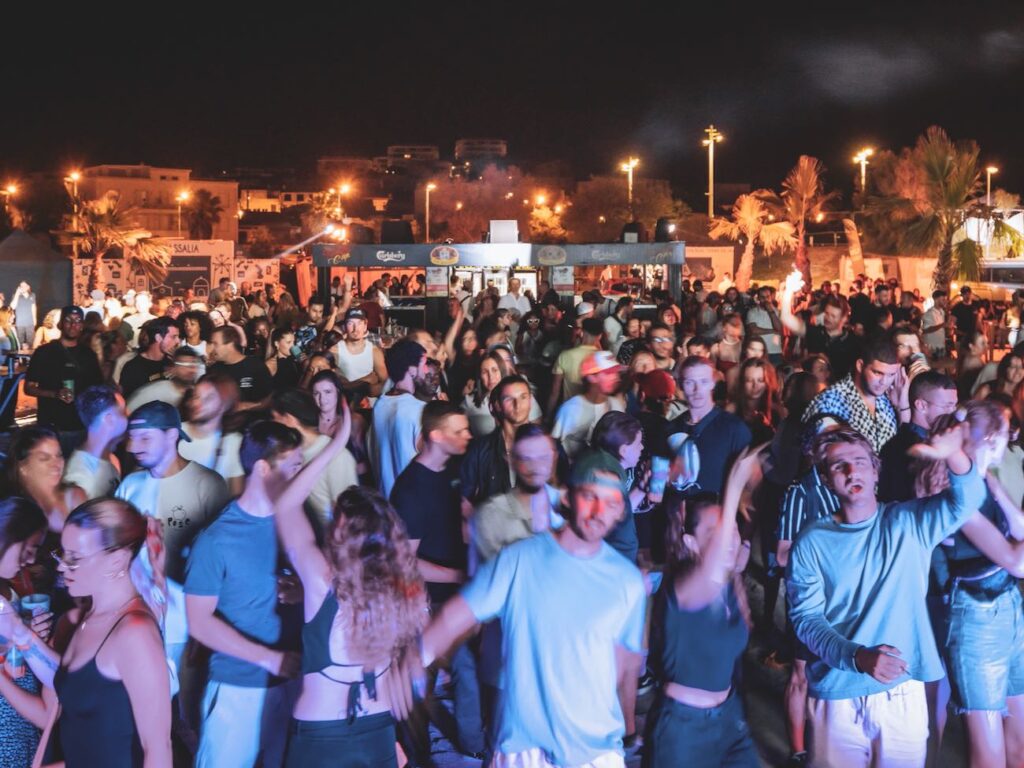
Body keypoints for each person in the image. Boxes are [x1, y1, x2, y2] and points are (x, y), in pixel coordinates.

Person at [397, 450, 646, 768]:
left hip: (597, 753)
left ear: (621, 511)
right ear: (568, 497)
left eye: (611, 503)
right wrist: (411, 665)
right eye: (590, 497)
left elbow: (624, 662)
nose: (599, 512)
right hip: (525, 751)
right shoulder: (520, 560)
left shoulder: (627, 581)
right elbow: (453, 617)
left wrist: (627, 728)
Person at [786, 423, 983, 767]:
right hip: (837, 694)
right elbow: (806, 620)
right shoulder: (812, 541)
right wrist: (856, 656)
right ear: (826, 478)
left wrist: (953, 451)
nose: (851, 471)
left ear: (876, 471)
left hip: (901, 691)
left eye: (860, 462)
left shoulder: (908, 522)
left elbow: (968, 498)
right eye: (838, 466)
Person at [271, 406, 427, 767]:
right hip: (379, 729)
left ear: (342, 532)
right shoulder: (403, 589)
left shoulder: (320, 579)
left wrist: (334, 444)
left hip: (322, 736)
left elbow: (285, 505)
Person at [184, 421, 306, 768]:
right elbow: (199, 623)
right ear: (264, 468)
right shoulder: (216, 539)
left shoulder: (298, 522)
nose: (300, 475)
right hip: (238, 689)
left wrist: (304, 591)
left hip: (293, 683)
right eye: (293, 466)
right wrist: (269, 659)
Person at [915, 401, 1024, 768]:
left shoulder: (984, 482)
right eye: (1005, 434)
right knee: (988, 753)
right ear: (989, 438)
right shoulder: (956, 497)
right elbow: (1017, 561)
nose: (1010, 441)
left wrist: (998, 491)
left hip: (1008, 608)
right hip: (976, 618)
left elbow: (1020, 529)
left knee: (1021, 741)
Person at [27, 497, 172, 767]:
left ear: (116, 560)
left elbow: (158, 749)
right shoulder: (87, 618)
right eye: (62, 553)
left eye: (74, 558)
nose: (61, 566)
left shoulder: (134, 633)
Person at [644, 459, 759, 768]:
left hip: (729, 717)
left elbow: (733, 556)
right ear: (691, 543)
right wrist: (733, 487)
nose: (729, 539)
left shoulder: (730, 586)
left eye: (731, 529)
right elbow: (712, 568)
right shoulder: (683, 586)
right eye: (715, 532)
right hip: (684, 730)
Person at [390, 400, 485, 759]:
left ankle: (471, 746)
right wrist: (459, 574)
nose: (468, 435)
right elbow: (406, 562)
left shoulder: (451, 472)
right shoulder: (411, 489)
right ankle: (417, 751)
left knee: (461, 670)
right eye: (459, 431)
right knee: (424, 675)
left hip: (454, 593)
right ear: (436, 435)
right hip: (425, 599)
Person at [0, 497, 50, 768]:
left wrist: (32, 635)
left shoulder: (9, 587)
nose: (30, 559)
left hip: (21, 715)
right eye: (28, 549)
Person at [271, 389, 358, 531]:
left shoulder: (338, 457)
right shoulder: (286, 457)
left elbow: (350, 517)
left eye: (274, 418)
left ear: (289, 419)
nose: (272, 425)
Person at [666, 357, 752, 497]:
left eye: (703, 381)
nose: (697, 389)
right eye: (689, 382)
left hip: (715, 513)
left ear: (713, 383)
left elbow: (748, 482)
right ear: (680, 385)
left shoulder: (734, 429)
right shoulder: (671, 429)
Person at [801, 338, 901, 454]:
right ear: (860, 366)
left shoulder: (885, 400)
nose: (884, 382)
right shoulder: (830, 402)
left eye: (891, 375)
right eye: (877, 373)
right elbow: (816, 457)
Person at [878, 371, 958, 502]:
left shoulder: (932, 442)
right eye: (946, 406)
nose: (952, 412)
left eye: (954, 406)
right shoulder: (903, 450)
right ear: (921, 405)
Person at [25, 306, 104, 432]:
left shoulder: (88, 354)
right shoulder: (44, 352)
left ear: (82, 325)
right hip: (51, 422)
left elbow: (97, 386)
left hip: (80, 423)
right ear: (60, 324)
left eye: (78, 321)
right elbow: (29, 388)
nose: (73, 325)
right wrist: (55, 394)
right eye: (68, 320)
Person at [369, 339, 428, 499]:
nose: (427, 370)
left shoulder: (379, 405)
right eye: (424, 364)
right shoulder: (418, 409)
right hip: (412, 503)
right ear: (411, 370)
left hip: (386, 503)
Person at [5, 426, 86, 533]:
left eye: (59, 455)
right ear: (24, 468)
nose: (56, 464)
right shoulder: (13, 511)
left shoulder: (74, 496)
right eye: (44, 458)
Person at [178, 371, 245, 495]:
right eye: (196, 396)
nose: (196, 403)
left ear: (225, 405)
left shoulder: (234, 443)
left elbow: (236, 497)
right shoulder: (173, 433)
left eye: (208, 398)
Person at [551, 351, 626, 460]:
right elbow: (554, 446)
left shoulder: (616, 405)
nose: (615, 377)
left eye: (616, 372)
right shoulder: (571, 409)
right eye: (608, 373)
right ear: (592, 377)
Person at [62, 385, 127, 500]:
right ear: (109, 419)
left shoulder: (111, 460)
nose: (128, 416)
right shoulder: (81, 479)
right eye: (123, 412)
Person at [207, 326, 273, 409]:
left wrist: (246, 407)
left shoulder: (255, 366)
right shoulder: (214, 370)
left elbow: (268, 399)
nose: (211, 348)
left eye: (215, 344)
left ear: (230, 344)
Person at [548, 316, 604, 413]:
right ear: (600, 336)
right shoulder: (603, 358)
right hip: (595, 412)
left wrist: (548, 416)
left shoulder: (565, 356)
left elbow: (555, 392)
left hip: (570, 410)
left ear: (582, 333)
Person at [118, 317, 180, 399]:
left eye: (178, 337)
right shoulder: (133, 367)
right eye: (173, 337)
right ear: (158, 337)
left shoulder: (171, 362)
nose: (178, 341)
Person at [333, 308, 388, 399]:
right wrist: (366, 380)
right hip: (341, 400)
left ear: (365, 325)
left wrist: (369, 389)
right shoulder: (335, 350)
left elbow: (385, 383)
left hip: (367, 401)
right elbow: (330, 382)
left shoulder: (374, 351)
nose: (355, 329)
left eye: (359, 323)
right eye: (351, 323)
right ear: (345, 326)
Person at [746, 286, 783, 366]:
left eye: (767, 297)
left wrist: (771, 311)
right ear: (758, 298)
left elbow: (779, 328)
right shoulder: (752, 312)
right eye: (762, 297)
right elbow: (754, 330)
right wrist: (772, 331)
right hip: (759, 351)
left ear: (771, 297)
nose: (765, 300)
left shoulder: (777, 312)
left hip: (775, 351)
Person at [921, 290, 949, 360]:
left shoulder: (942, 311)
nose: (945, 301)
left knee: (940, 369)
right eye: (943, 299)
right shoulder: (929, 313)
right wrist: (942, 325)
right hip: (932, 348)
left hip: (941, 346)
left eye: (945, 299)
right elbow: (925, 330)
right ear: (936, 300)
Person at [11, 281, 36, 350]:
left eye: (24, 285)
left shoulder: (32, 295)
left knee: (30, 342)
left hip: (30, 323)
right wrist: (17, 293)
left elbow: (33, 308)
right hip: (19, 323)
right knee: (20, 342)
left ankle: (30, 359)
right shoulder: (16, 295)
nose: (22, 287)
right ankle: (20, 359)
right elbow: (12, 307)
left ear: (28, 287)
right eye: (21, 286)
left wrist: (35, 320)